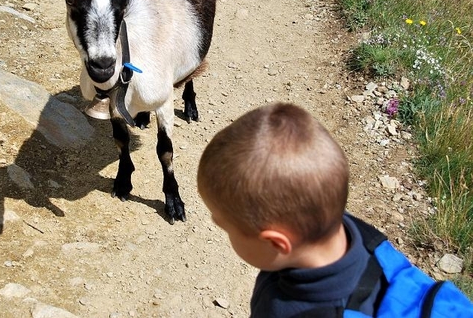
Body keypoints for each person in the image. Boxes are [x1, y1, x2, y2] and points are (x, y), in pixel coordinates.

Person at [197, 102, 472, 317]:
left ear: (276, 242)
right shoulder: (363, 237)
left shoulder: (289, 312)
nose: (220, 227)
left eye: (225, 227)